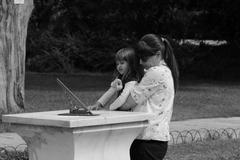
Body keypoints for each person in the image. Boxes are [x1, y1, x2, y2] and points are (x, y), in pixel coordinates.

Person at [117, 34, 179, 160]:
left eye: (144, 59)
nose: (140, 62)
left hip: (147, 141)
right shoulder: (165, 70)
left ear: (157, 54)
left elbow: (127, 104)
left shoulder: (156, 72)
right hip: (153, 140)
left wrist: (125, 87)